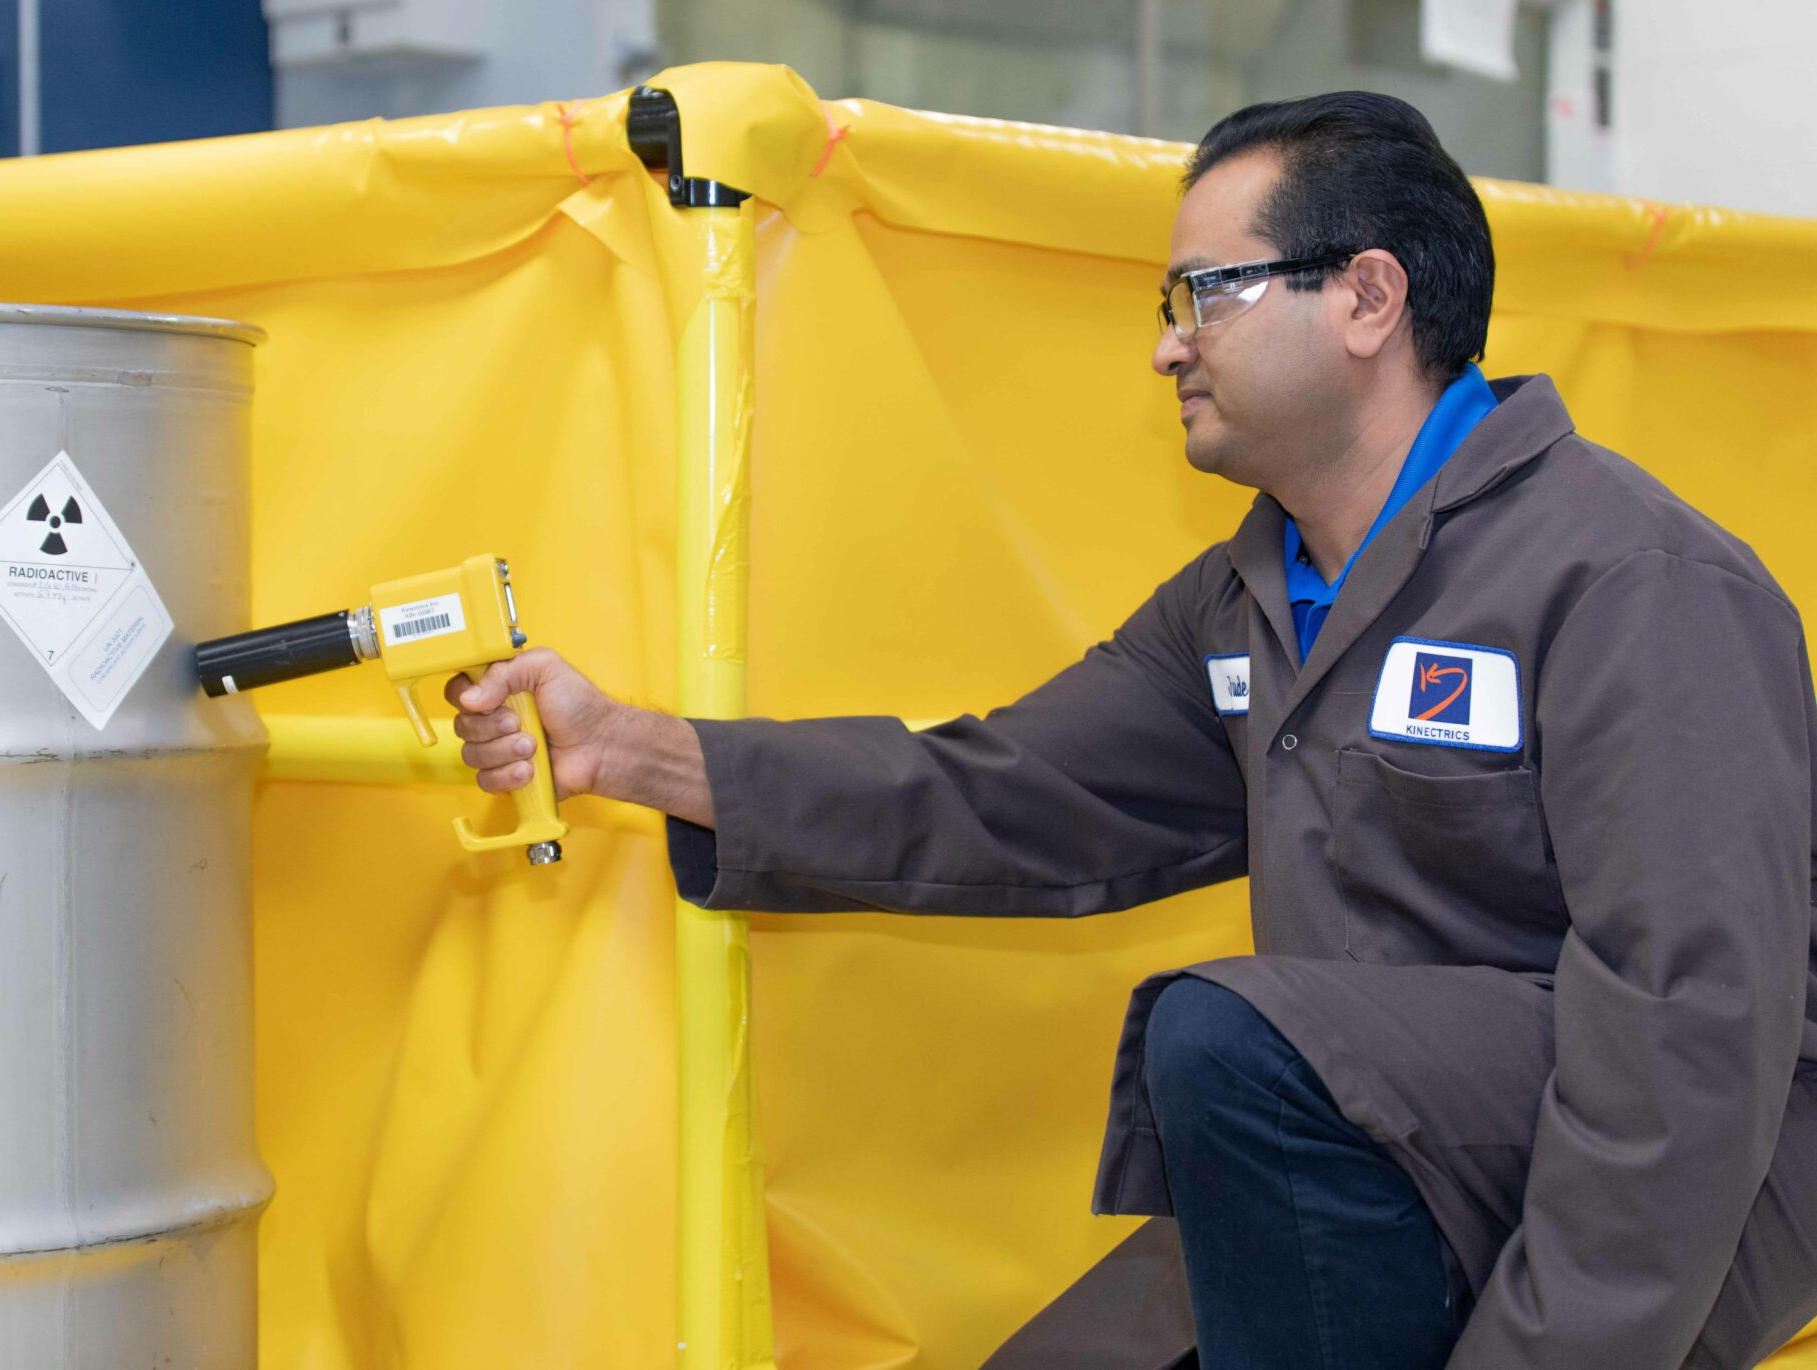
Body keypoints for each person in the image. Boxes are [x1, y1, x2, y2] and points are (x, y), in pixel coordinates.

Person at [443, 92, 1817, 1369]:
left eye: (1205, 293)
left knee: (1225, 1032)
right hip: (1370, 1156)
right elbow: (1003, 790)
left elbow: (1686, 1038)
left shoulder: (1633, 582)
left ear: (1368, 297)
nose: (1167, 341)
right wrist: (631, 750)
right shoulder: (1244, 600)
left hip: (1669, 1204)